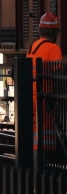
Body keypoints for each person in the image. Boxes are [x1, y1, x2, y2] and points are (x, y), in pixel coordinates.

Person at [28, 13, 63, 153]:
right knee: (45, 131)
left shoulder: (33, 46)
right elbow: (59, 76)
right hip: (45, 98)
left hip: (31, 96)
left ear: (40, 30)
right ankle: (44, 158)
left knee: (35, 129)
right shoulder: (53, 49)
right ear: (55, 32)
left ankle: (33, 157)